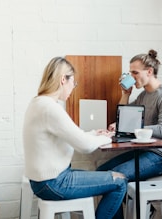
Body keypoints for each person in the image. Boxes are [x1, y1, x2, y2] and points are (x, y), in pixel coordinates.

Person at [23, 57, 127, 219]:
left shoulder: (38, 103)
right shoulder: (50, 108)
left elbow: (72, 135)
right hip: (54, 183)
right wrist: (109, 138)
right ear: (63, 79)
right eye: (74, 82)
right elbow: (84, 146)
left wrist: (94, 134)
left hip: (43, 182)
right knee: (119, 182)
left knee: (109, 176)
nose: (73, 87)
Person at [97, 49, 162, 216]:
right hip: (144, 152)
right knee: (102, 173)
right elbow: (126, 118)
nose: (132, 76)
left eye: (135, 73)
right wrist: (125, 95)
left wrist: (130, 129)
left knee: (114, 178)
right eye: (130, 73)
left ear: (149, 72)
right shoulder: (144, 95)